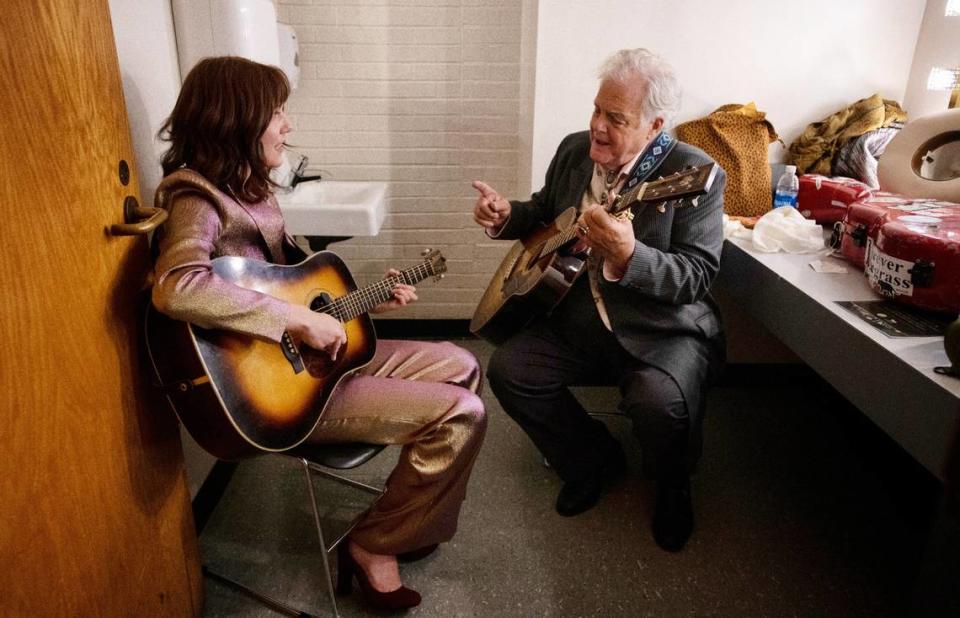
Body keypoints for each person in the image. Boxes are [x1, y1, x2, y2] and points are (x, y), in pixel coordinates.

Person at [151, 56, 487, 611]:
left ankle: (409, 517)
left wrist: (367, 296)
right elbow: (178, 286)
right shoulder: (196, 196)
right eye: (277, 113)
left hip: (311, 365)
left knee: (465, 364)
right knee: (462, 413)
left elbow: (291, 278)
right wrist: (299, 320)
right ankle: (373, 544)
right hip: (275, 390)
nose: (289, 126)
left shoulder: (250, 188)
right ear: (237, 119)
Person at [472, 48, 725, 552]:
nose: (597, 127)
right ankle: (592, 461)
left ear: (655, 124)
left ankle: (672, 485)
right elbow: (545, 212)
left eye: (616, 118)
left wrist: (631, 255)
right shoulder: (572, 151)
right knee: (509, 370)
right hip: (575, 316)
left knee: (661, 405)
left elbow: (697, 276)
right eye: (596, 110)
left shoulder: (695, 173)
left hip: (660, 327)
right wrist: (505, 217)